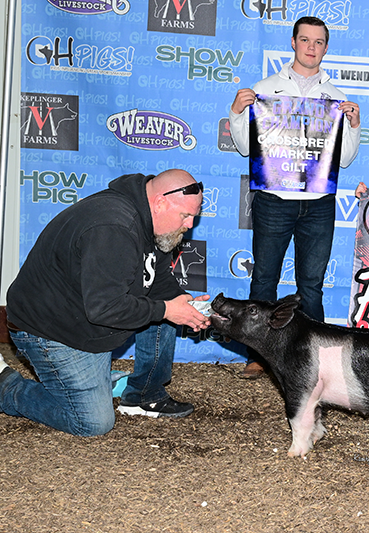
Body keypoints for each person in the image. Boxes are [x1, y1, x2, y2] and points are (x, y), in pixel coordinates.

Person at [0, 170, 211, 436]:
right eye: (186, 216)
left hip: (84, 316)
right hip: (51, 331)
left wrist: (181, 302)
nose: (190, 224)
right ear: (160, 203)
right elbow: (106, 308)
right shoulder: (114, 227)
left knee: (170, 304)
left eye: (194, 216)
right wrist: (169, 309)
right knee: (93, 422)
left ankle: (143, 394)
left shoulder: (148, 218)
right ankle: (7, 387)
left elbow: (153, 276)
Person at [228, 16, 361, 379]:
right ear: (293, 42)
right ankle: (259, 355)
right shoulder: (267, 88)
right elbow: (244, 148)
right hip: (274, 198)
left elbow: (345, 159)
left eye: (318, 42)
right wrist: (238, 113)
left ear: (326, 47)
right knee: (264, 280)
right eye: (305, 40)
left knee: (311, 285)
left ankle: (314, 358)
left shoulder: (337, 98)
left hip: (318, 203)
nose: (311, 47)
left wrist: (354, 125)